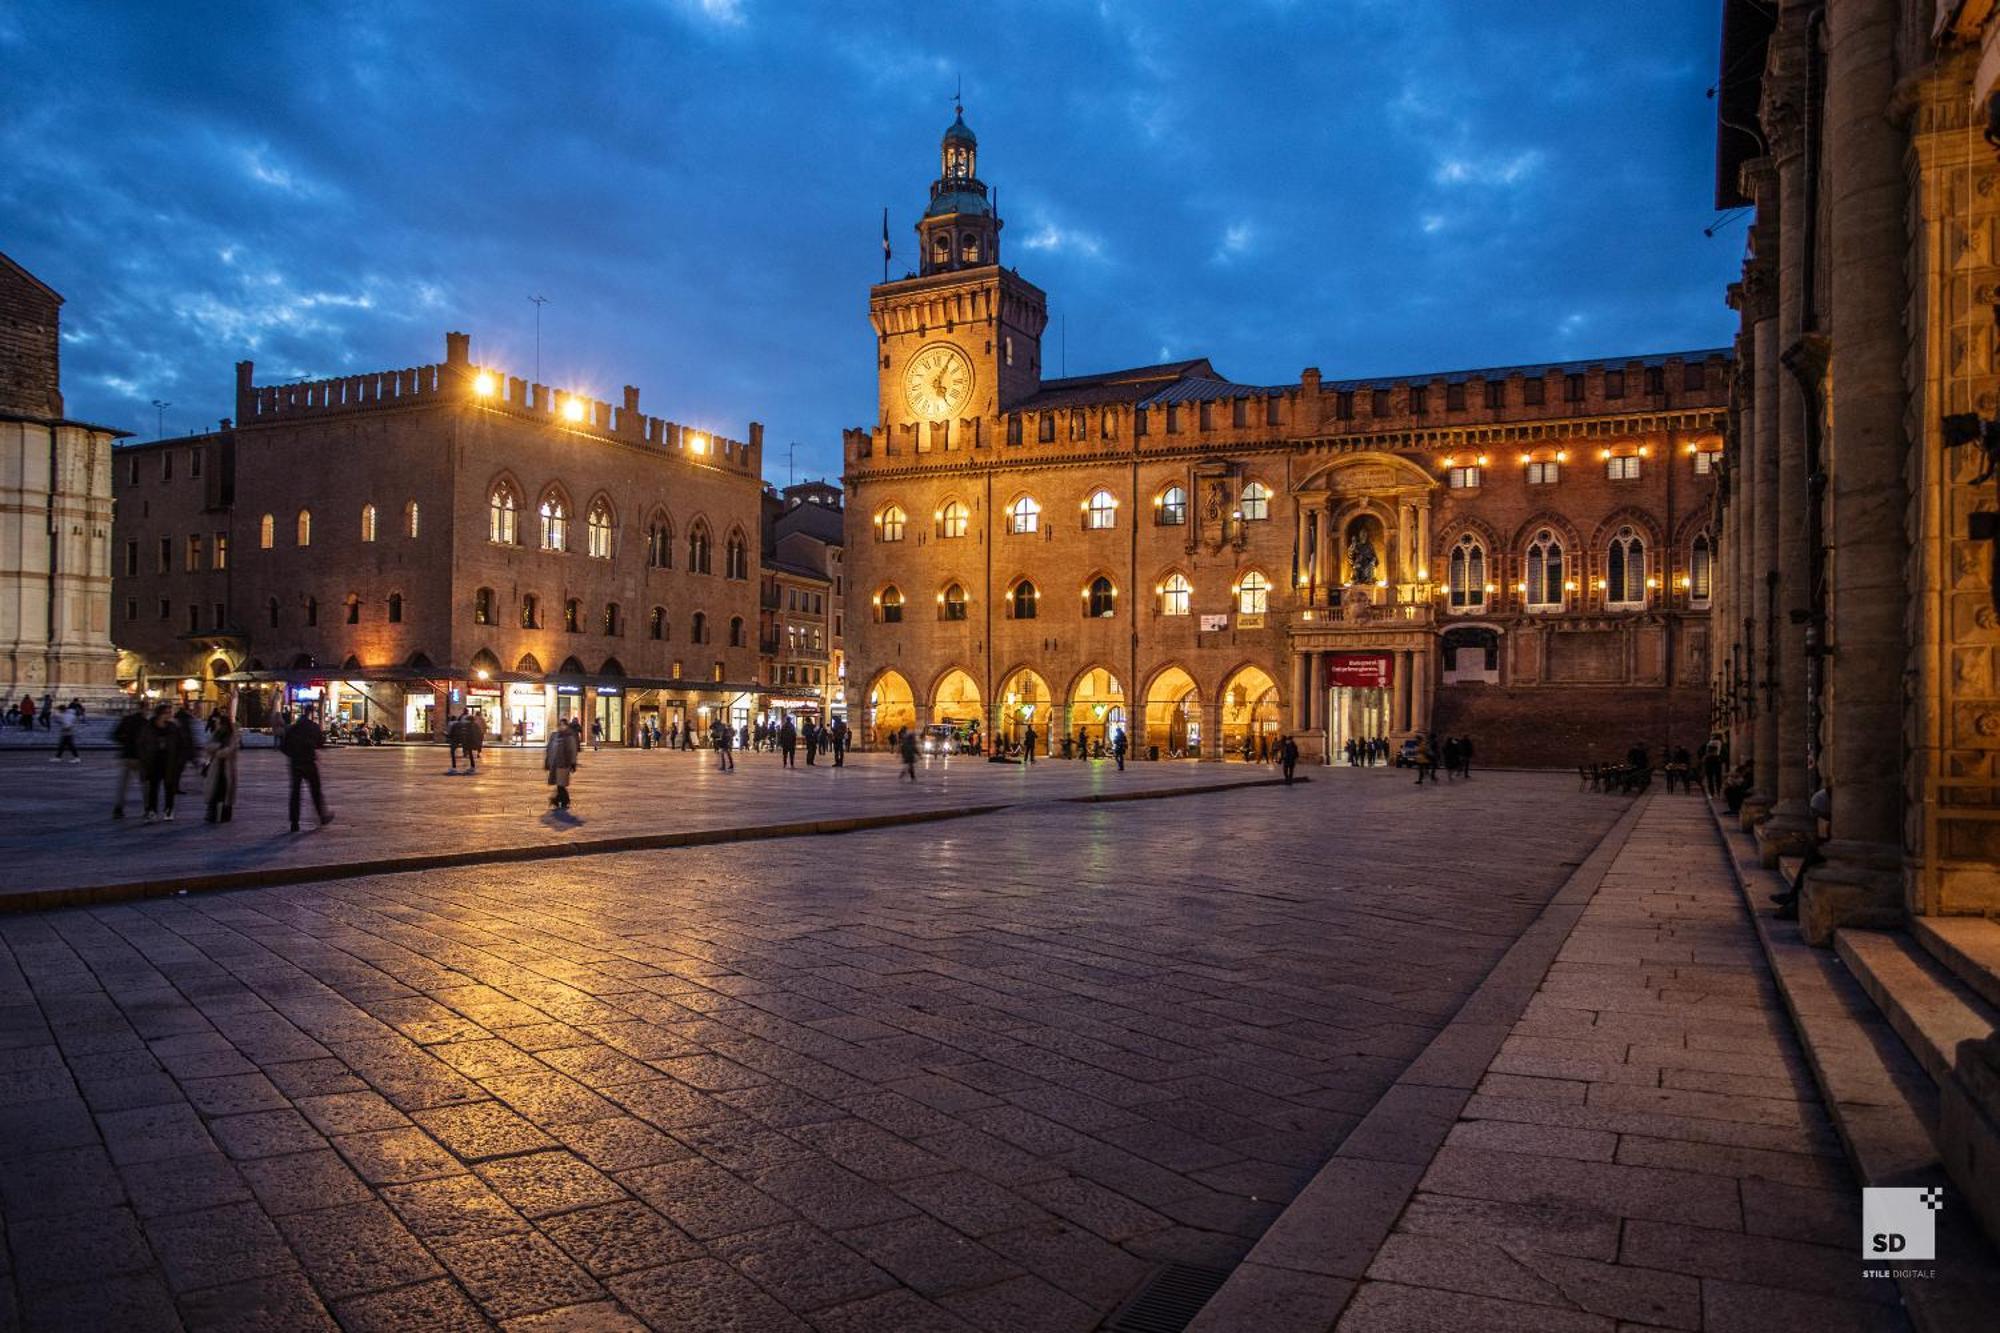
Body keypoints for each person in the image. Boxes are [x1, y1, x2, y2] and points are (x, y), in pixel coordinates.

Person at [279, 708, 333, 832]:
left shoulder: (292, 728)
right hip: (309, 762)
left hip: (296, 763)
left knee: (295, 793)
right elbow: (320, 743)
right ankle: (322, 816)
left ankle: (294, 822)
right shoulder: (313, 727)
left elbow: (284, 747)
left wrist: (293, 755)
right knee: (315, 790)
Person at [136, 703, 189, 821]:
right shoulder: (149, 727)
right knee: (153, 788)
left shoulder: (173, 727)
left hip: (169, 761)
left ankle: (169, 809)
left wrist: (179, 761)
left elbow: (182, 744)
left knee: (169, 787)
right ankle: (152, 811)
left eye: (170, 712)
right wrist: (143, 758)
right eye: (167, 712)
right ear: (160, 714)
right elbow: (141, 743)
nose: (170, 715)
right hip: (153, 761)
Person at [203, 710, 240, 823]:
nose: (217, 725)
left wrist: (217, 751)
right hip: (216, 768)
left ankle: (225, 814)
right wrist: (218, 747)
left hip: (228, 768)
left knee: (226, 792)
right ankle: (212, 814)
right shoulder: (216, 734)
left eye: (219, 723)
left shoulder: (232, 736)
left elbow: (228, 751)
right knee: (214, 791)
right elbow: (208, 747)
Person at [544, 715, 579, 810]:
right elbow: (549, 749)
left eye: (563, 725)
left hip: (564, 764)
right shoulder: (555, 735)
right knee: (559, 784)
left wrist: (573, 763)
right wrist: (547, 761)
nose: (561, 727)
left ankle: (559, 800)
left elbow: (573, 750)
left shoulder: (569, 736)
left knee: (560, 784)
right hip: (555, 764)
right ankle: (561, 801)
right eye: (560, 725)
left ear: (567, 725)